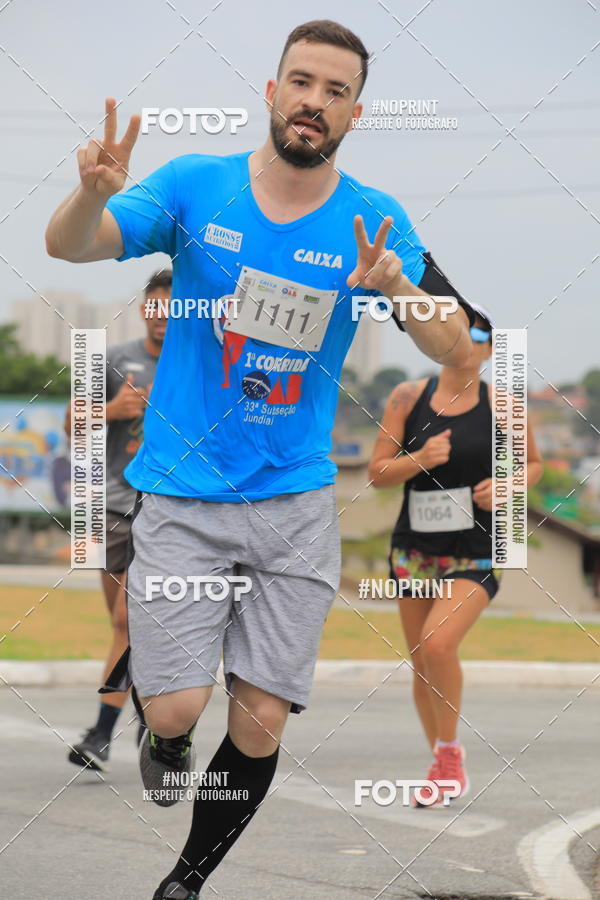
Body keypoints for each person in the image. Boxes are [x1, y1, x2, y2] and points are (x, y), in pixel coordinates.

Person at [45, 19, 477, 899]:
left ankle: (187, 881)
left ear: (356, 112)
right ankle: (163, 737)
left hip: (294, 502)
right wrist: (90, 194)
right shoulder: (193, 186)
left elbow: (457, 341)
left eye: (336, 91)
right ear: (272, 90)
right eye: (302, 82)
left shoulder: (376, 217)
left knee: (262, 718)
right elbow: (71, 244)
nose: (314, 102)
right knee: (175, 706)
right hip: (180, 494)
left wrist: (398, 288)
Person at [369, 304, 542, 806]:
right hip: (416, 549)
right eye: (460, 331)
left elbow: (532, 465)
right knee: (423, 663)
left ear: (490, 350)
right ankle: (443, 762)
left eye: (482, 335)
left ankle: (448, 754)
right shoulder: (407, 397)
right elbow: (377, 472)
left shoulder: (505, 404)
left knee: (438, 644)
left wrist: (507, 485)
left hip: (476, 548)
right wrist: (419, 459)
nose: (469, 342)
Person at [66, 270, 171, 771]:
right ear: (144, 309)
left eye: (173, 306)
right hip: (112, 507)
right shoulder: (112, 359)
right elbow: (70, 423)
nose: (162, 315)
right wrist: (113, 408)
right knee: (126, 626)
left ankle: (101, 734)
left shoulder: (199, 362)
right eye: (154, 305)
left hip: (170, 510)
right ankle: (150, 728)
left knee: (130, 622)